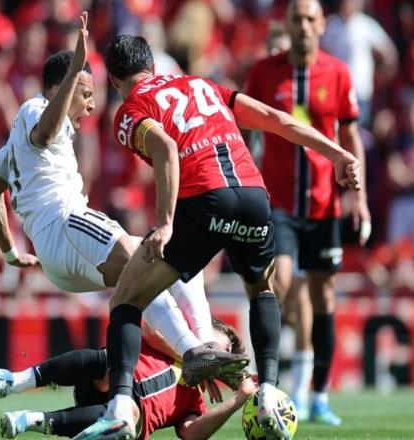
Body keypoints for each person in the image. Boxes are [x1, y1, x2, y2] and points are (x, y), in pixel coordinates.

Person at [78, 32, 361, 440]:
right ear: (152, 66)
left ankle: (121, 408)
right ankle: (268, 393)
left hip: (204, 200)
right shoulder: (204, 85)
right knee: (261, 291)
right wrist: (336, 153)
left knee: (126, 299)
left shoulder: (131, 108)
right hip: (254, 196)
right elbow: (277, 120)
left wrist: (166, 222)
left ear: (114, 79)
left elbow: (166, 148)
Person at [0, 12, 234, 377]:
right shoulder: (35, 109)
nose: (92, 105)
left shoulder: (15, 148)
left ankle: (201, 345)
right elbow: (45, 133)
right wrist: (76, 69)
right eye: (86, 94)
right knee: (148, 265)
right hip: (65, 224)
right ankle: (195, 351)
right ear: (62, 88)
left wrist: (10, 254)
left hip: (56, 255)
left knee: (166, 261)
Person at [245, 0, 370, 425]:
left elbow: (351, 137)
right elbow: (242, 126)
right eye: (295, 19)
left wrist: (360, 197)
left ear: (321, 25)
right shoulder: (264, 72)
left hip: (323, 204)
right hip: (278, 202)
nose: (302, 26)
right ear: (287, 23)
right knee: (278, 280)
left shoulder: (337, 73)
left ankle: (318, 395)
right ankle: (268, 382)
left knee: (323, 296)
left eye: (309, 19)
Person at [0, 315, 256, 440]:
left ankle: (28, 420)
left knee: (128, 417)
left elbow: (190, 433)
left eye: (225, 355)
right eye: (220, 348)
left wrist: (239, 398)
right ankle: (14, 381)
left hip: (120, 419)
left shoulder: (195, 399)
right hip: (106, 379)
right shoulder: (174, 341)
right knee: (109, 361)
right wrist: (194, 357)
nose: (220, 356)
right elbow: (149, 330)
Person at [320, 0, 398, 127]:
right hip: (335, 91)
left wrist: (382, 76)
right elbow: (318, 52)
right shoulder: (331, 25)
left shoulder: (366, 25)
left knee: (358, 130)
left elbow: (388, 51)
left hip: (360, 91)